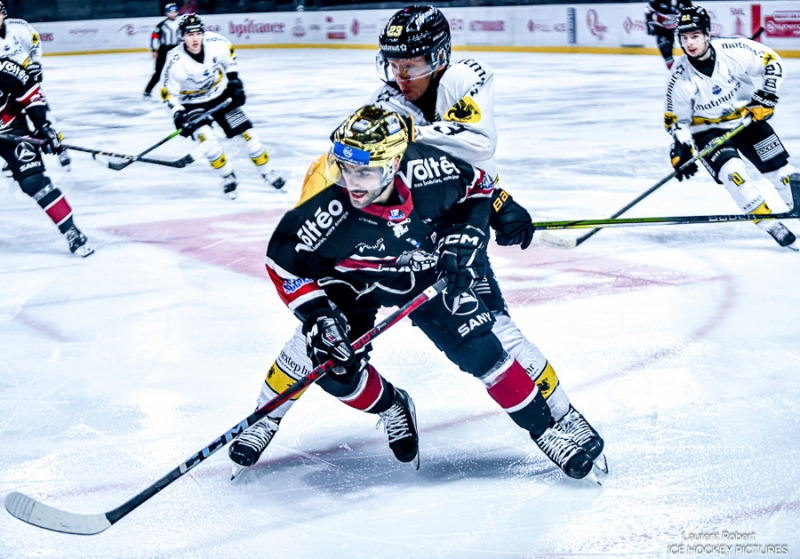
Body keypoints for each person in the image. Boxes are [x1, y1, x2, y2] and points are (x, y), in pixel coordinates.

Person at [228, 6, 605, 479]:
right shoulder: (357, 152)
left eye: (411, 65)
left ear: (440, 57)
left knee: (492, 337)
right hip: (369, 259)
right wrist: (319, 314)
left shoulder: (460, 86)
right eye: (393, 65)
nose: (400, 76)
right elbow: (294, 257)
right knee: (322, 351)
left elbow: (472, 156)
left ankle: (560, 419)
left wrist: (490, 207)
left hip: (436, 239)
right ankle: (279, 414)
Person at [665, 5, 797, 249]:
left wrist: (768, 95)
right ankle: (772, 225)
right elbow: (676, 119)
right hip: (708, 132)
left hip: (747, 120)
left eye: (694, 36)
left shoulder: (734, 50)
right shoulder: (679, 75)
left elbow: (772, 62)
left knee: (784, 175)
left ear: (707, 34)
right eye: (684, 38)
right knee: (733, 174)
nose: (689, 43)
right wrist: (681, 145)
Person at [160, 13, 284, 199]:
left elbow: (230, 58)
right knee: (207, 141)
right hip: (193, 105)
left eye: (197, 33)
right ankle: (227, 176)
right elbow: (168, 93)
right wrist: (178, 114)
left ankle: (268, 173)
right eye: (189, 34)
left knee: (249, 137)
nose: (194, 38)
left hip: (221, 98)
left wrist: (234, 81)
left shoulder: (217, 43)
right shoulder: (175, 62)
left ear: (202, 33)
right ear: (182, 36)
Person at [0, 59, 93, 257]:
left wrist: (42, 125)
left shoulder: (5, 68)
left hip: (11, 129)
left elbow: (31, 94)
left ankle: (71, 230)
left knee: (34, 181)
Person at [0, 1, 71, 170]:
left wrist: (36, 63)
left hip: (25, 80)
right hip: (4, 85)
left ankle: (59, 146)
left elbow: (35, 42)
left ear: (4, 14)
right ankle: (16, 156)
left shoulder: (19, 27)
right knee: (11, 120)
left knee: (42, 113)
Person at [144, 3, 181, 99]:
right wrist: (154, 50)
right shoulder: (162, 25)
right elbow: (154, 37)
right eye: (171, 12)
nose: (173, 14)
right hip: (164, 50)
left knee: (178, 70)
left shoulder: (181, 23)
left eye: (175, 11)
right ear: (167, 13)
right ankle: (148, 91)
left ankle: (178, 91)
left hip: (177, 49)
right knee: (159, 72)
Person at [645, 0, 693, 70]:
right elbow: (648, 9)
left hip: (681, 27)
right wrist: (649, 23)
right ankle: (676, 74)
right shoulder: (655, 2)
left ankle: (695, 69)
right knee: (666, 51)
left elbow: (691, 11)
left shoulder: (685, 1)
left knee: (690, 47)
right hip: (662, 29)